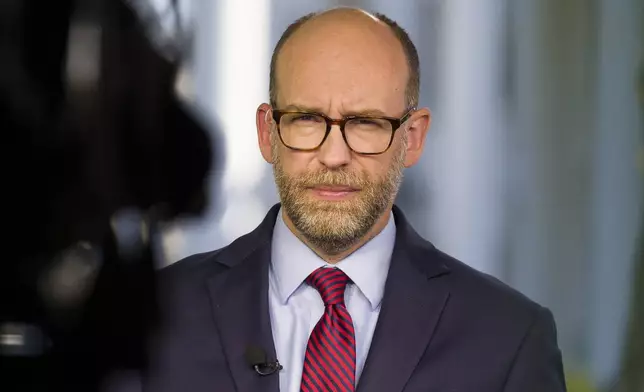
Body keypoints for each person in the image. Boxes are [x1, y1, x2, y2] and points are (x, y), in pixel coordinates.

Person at [145, 7, 567, 392]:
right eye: (307, 119)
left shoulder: (510, 338)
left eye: (365, 123)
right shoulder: (150, 315)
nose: (333, 155)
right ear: (267, 133)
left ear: (413, 137)